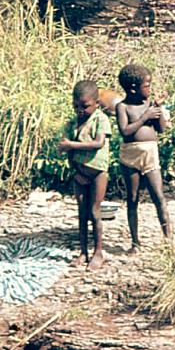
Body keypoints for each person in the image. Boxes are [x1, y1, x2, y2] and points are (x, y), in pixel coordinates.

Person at [115, 63, 173, 251]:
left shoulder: (150, 106)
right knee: (132, 198)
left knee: (159, 197)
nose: (150, 88)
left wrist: (158, 109)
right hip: (130, 156)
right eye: (147, 85)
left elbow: (161, 129)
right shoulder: (123, 107)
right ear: (133, 88)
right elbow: (125, 131)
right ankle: (135, 242)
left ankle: (169, 240)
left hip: (150, 154)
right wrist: (144, 117)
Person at [58, 80, 112, 271]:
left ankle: (98, 252)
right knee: (82, 213)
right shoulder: (72, 123)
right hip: (79, 173)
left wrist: (71, 145)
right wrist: (74, 170)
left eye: (85, 106)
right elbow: (66, 149)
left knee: (95, 212)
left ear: (97, 103)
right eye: (76, 106)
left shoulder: (100, 120)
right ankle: (83, 252)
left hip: (97, 173)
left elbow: (98, 143)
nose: (80, 110)